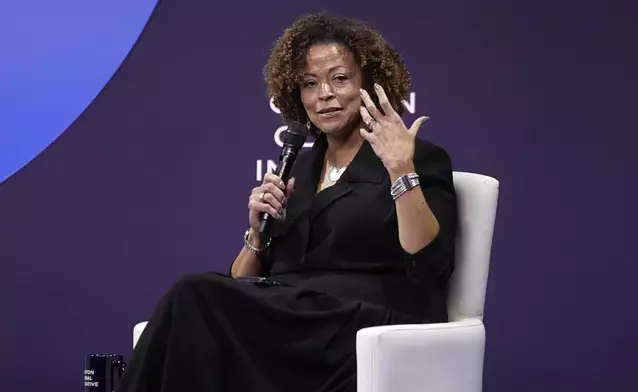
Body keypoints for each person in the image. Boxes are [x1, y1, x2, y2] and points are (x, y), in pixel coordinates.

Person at [116, 12, 457, 392]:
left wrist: (400, 170)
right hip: (293, 321)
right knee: (198, 313)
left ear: (369, 82)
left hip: (366, 326)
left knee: (194, 293)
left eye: (339, 79)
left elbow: (430, 264)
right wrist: (256, 231)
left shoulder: (417, 157)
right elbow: (243, 283)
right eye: (310, 84)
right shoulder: (300, 165)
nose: (323, 94)